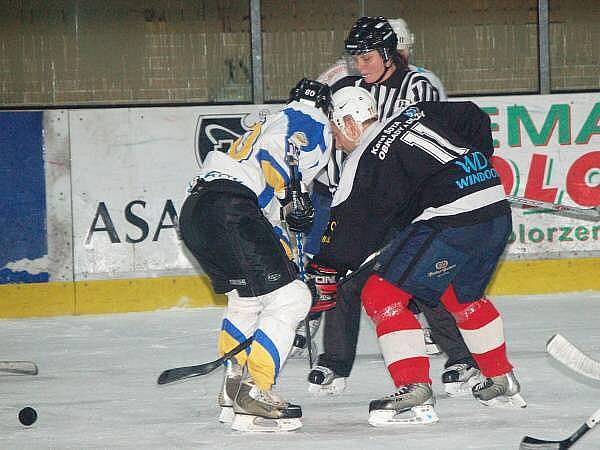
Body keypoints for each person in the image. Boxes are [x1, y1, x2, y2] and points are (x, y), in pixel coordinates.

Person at [307, 85, 525, 426]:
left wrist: (323, 271)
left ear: (348, 123)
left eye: (335, 131)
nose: (336, 141)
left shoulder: (361, 160)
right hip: (494, 207)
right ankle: (502, 380)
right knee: (459, 295)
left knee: (381, 295)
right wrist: (477, 163)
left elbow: (345, 234)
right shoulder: (418, 111)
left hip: (452, 217)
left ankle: (414, 391)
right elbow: (473, 115)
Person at [299, 16, 480, 399]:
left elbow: (429, 139)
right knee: (345, 277)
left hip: (408, 203)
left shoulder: (419, 87)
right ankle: (335, 362)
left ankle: (462, 358)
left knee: (423, 277)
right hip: (367, 201)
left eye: (366, 58)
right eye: (355, 60)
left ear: (387, 54)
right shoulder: (349, 88)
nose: (360, 67)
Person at [177, 78, 333, 432]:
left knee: (247, 301)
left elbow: (266, 209)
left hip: (196, 211)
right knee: (293, 298)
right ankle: (256, 389)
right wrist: (291, 194)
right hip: (231, 209)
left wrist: (284, 227)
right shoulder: (310, 119)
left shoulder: (270, 120)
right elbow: (278, 157)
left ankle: (233, 389)